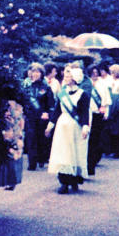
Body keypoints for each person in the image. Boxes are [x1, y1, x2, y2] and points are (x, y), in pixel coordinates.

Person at [46, 62, 90, 194]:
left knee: (75, 153)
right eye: (65, 74)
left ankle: (75, 179)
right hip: (62, 126)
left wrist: (85, 127)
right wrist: (49, 127)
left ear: (75, 77)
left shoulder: (83, 94)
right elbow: (56, 112)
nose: (66, 76)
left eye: (69, 74)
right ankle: (63, 182)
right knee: (62, 153)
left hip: (75, 127)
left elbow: (84, 113)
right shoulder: (62, 94)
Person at [22, 63, 55, 170]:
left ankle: (41, 158)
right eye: (33, 71)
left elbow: (51, 103)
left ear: (41, 74)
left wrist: (47, 113)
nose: (35, 74)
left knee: (41, 139)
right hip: (30, 116)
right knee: (31, 138)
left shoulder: (46, 87)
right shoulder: (26, 86)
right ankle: (32, 163)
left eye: (38, 72)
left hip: (42, 117)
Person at [86, 64, 111, 175]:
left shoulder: (102, 84)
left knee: (96, 139)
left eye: (97, 73)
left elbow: (106, 100)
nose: (95, 75)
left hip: (98, 114)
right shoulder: (86, 84)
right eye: (93, 73)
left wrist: (106, 112)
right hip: (87, 113)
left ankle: (94, 161)